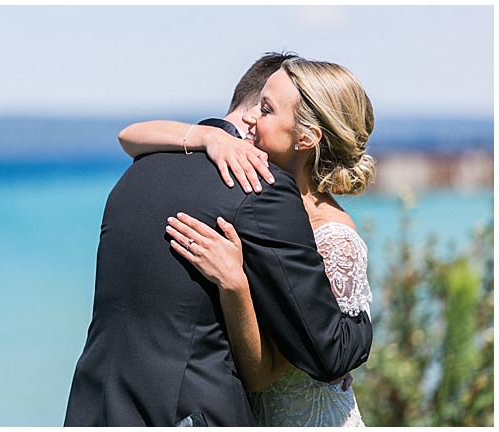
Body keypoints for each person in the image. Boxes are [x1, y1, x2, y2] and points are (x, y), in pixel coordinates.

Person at [63, 53, 373, 426]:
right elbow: (260, 372)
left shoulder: (316, 225)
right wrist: (208, 136)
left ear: (307, 137)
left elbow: (327, 356)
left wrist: (234, 282)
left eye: (266, 109)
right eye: (257, 105)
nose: (251, 118)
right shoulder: (256, 200)